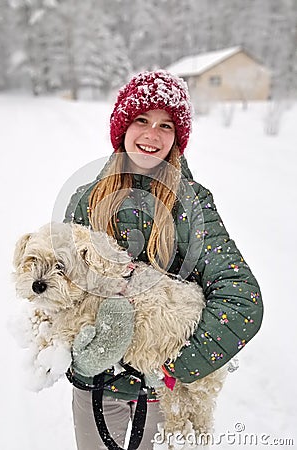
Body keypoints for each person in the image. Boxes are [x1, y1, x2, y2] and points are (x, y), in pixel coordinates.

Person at [63, 70, 263, 450]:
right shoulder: (84, 201)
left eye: (165, 125)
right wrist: (78, 354)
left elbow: (242, 301)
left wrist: (173, 368)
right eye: (141, 120)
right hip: (94, 389)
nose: (152, 135)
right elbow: (62, 285)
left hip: (158, 397)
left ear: (177, 138)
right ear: (122, 126)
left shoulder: (193, 206)